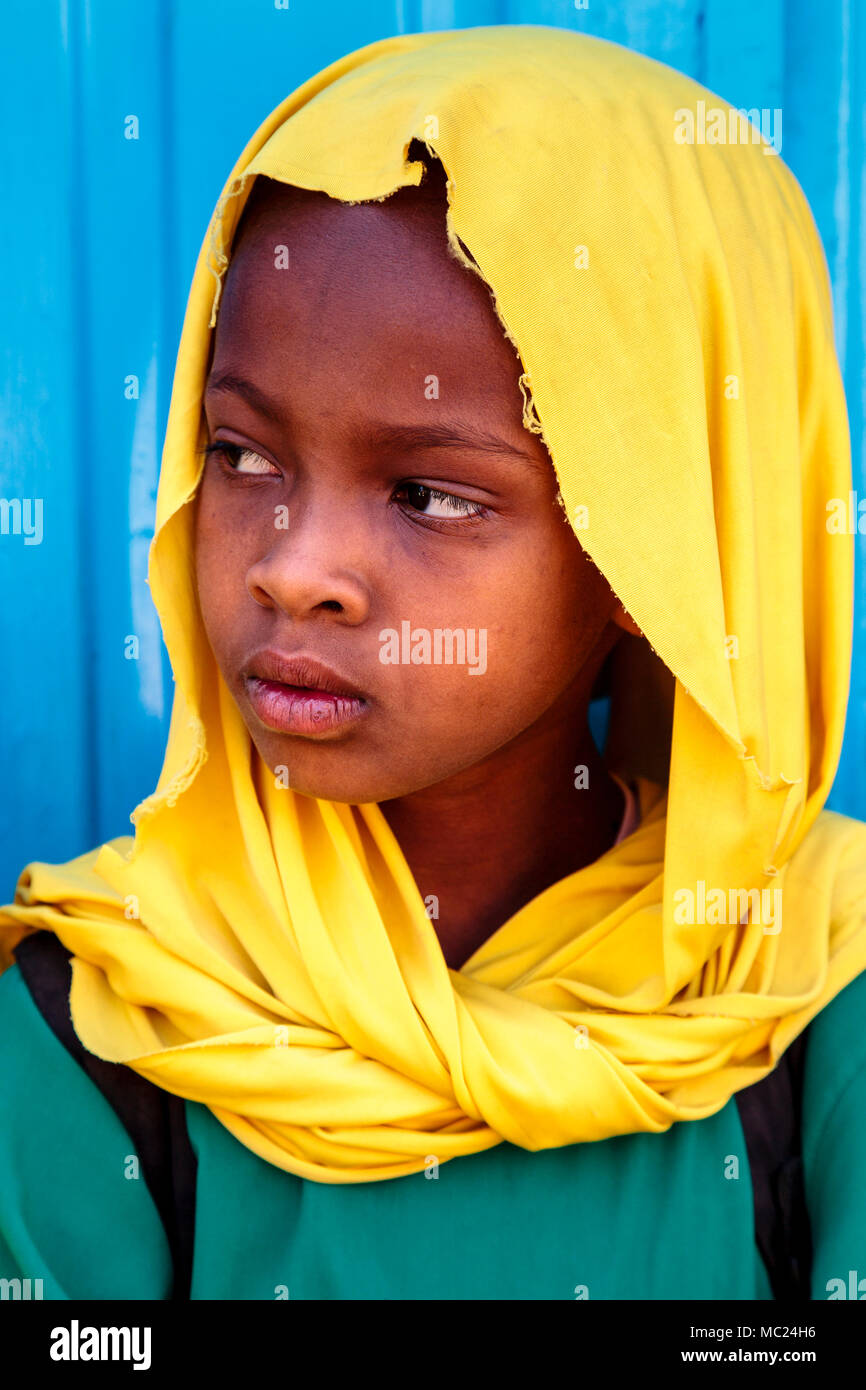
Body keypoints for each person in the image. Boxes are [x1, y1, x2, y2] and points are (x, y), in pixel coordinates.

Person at [2, 24, 866, 1301]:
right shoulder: (97, 1017)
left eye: (427, 491)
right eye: (241, 455)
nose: (293, 569)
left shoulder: (806, 992)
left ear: (661, 546)